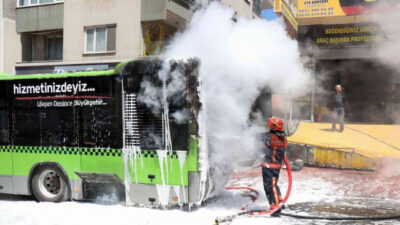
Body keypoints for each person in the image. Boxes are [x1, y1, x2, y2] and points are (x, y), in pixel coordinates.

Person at [261, 117, 287, 217]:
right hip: (276, 166)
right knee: (274, 185)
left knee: (269, 186)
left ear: (273, 126)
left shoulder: (269, 137)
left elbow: (261, 139)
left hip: (269, 166)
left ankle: (275, 207)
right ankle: (280, 202)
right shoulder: (283, 138)